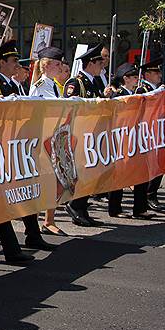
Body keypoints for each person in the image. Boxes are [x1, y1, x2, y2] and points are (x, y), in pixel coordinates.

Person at [0, 41, 54, 258]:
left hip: (18, 146)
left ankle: (32, 234)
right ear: (2, 62)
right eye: (13, 61)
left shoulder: (15, 85)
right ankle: (11, 248)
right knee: (1, 198)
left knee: (26, 190)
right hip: (0, 147)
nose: (17, 65)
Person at [63, 44, 106, 227]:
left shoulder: (95, 82)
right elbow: (68, 107)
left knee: (91, 173)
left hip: (92, 135)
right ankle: (75, 205)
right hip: (79, 135)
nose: (102, 66)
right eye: (99, 63)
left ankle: (82, 207)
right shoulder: (75, 83)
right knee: (82, 174)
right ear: (90, 63)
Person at [105, 63, 155, 219]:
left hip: (135, 138)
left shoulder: (137, 94)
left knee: (141, 172)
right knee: (119, 175)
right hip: (121, 139)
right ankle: (115, 208)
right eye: (134, 77)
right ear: (125, 79)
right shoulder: (118, 95)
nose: (137, 80)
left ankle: (140, 208)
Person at [29, 46, 68, 235]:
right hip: (43, 138)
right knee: (44, 180)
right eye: (57, 64)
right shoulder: (40, 86)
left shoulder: (54, 85)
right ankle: (41, 220)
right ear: (45, 66)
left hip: (54, 137)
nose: (61, 68)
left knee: (55, 179)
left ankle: (49, 219)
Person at [134, 55, 165, 212]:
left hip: (157, 132)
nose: (159, 75)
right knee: (148, 167)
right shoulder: (143, 90)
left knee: (158, 165)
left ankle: (152, 194)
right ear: (147, 74)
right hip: (146, 133)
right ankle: (148, 196)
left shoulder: (157, 90)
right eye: (156, 73)